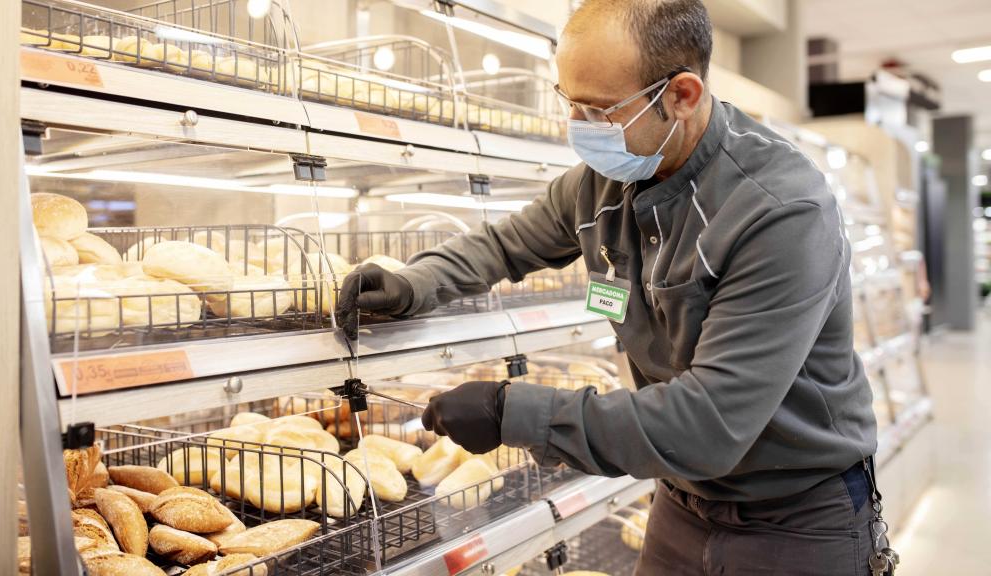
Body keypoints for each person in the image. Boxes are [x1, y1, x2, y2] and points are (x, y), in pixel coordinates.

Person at [337, 1, 885, 573]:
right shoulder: (602, 184)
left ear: (683, 95)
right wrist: (411, 283)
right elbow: (504, 244)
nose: (578, 126)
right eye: (568, 102)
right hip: (680, 500)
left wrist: (511, 411)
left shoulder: (778, 210)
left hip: (795, 520)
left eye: (598, 110)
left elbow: (708, 425)